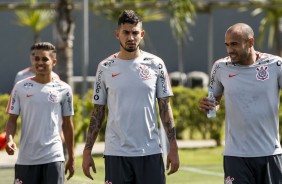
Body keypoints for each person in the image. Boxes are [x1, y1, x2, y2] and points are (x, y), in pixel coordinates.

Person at [82, 10, 179, 184]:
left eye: (135, 33)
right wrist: (87, 151)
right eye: (126, 32)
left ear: (141, 34)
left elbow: (165, 107)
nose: (131, 37)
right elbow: (98, 112)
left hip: (150, 151)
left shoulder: (156, 64)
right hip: (116, 153)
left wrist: (173, 147)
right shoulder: (105, 67)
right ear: (117, 34)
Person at [199, 23, 282, 184]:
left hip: (270, 153)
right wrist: (208, 106)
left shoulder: (276, 65)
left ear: (250, 42)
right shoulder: (220, 67)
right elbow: (214, 100)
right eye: (227, 45)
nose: (229, 49)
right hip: (235, 156)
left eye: (234, 44)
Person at [5, 42, 75, 184]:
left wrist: (72, 157)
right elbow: (12, 119)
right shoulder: (20, 87)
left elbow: (67, 124)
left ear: (54, 62)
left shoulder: (64, 89)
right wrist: (9, 139)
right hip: (26, 158)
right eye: (37, 59)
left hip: (53, 156)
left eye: (44, 59)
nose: (40, 63)